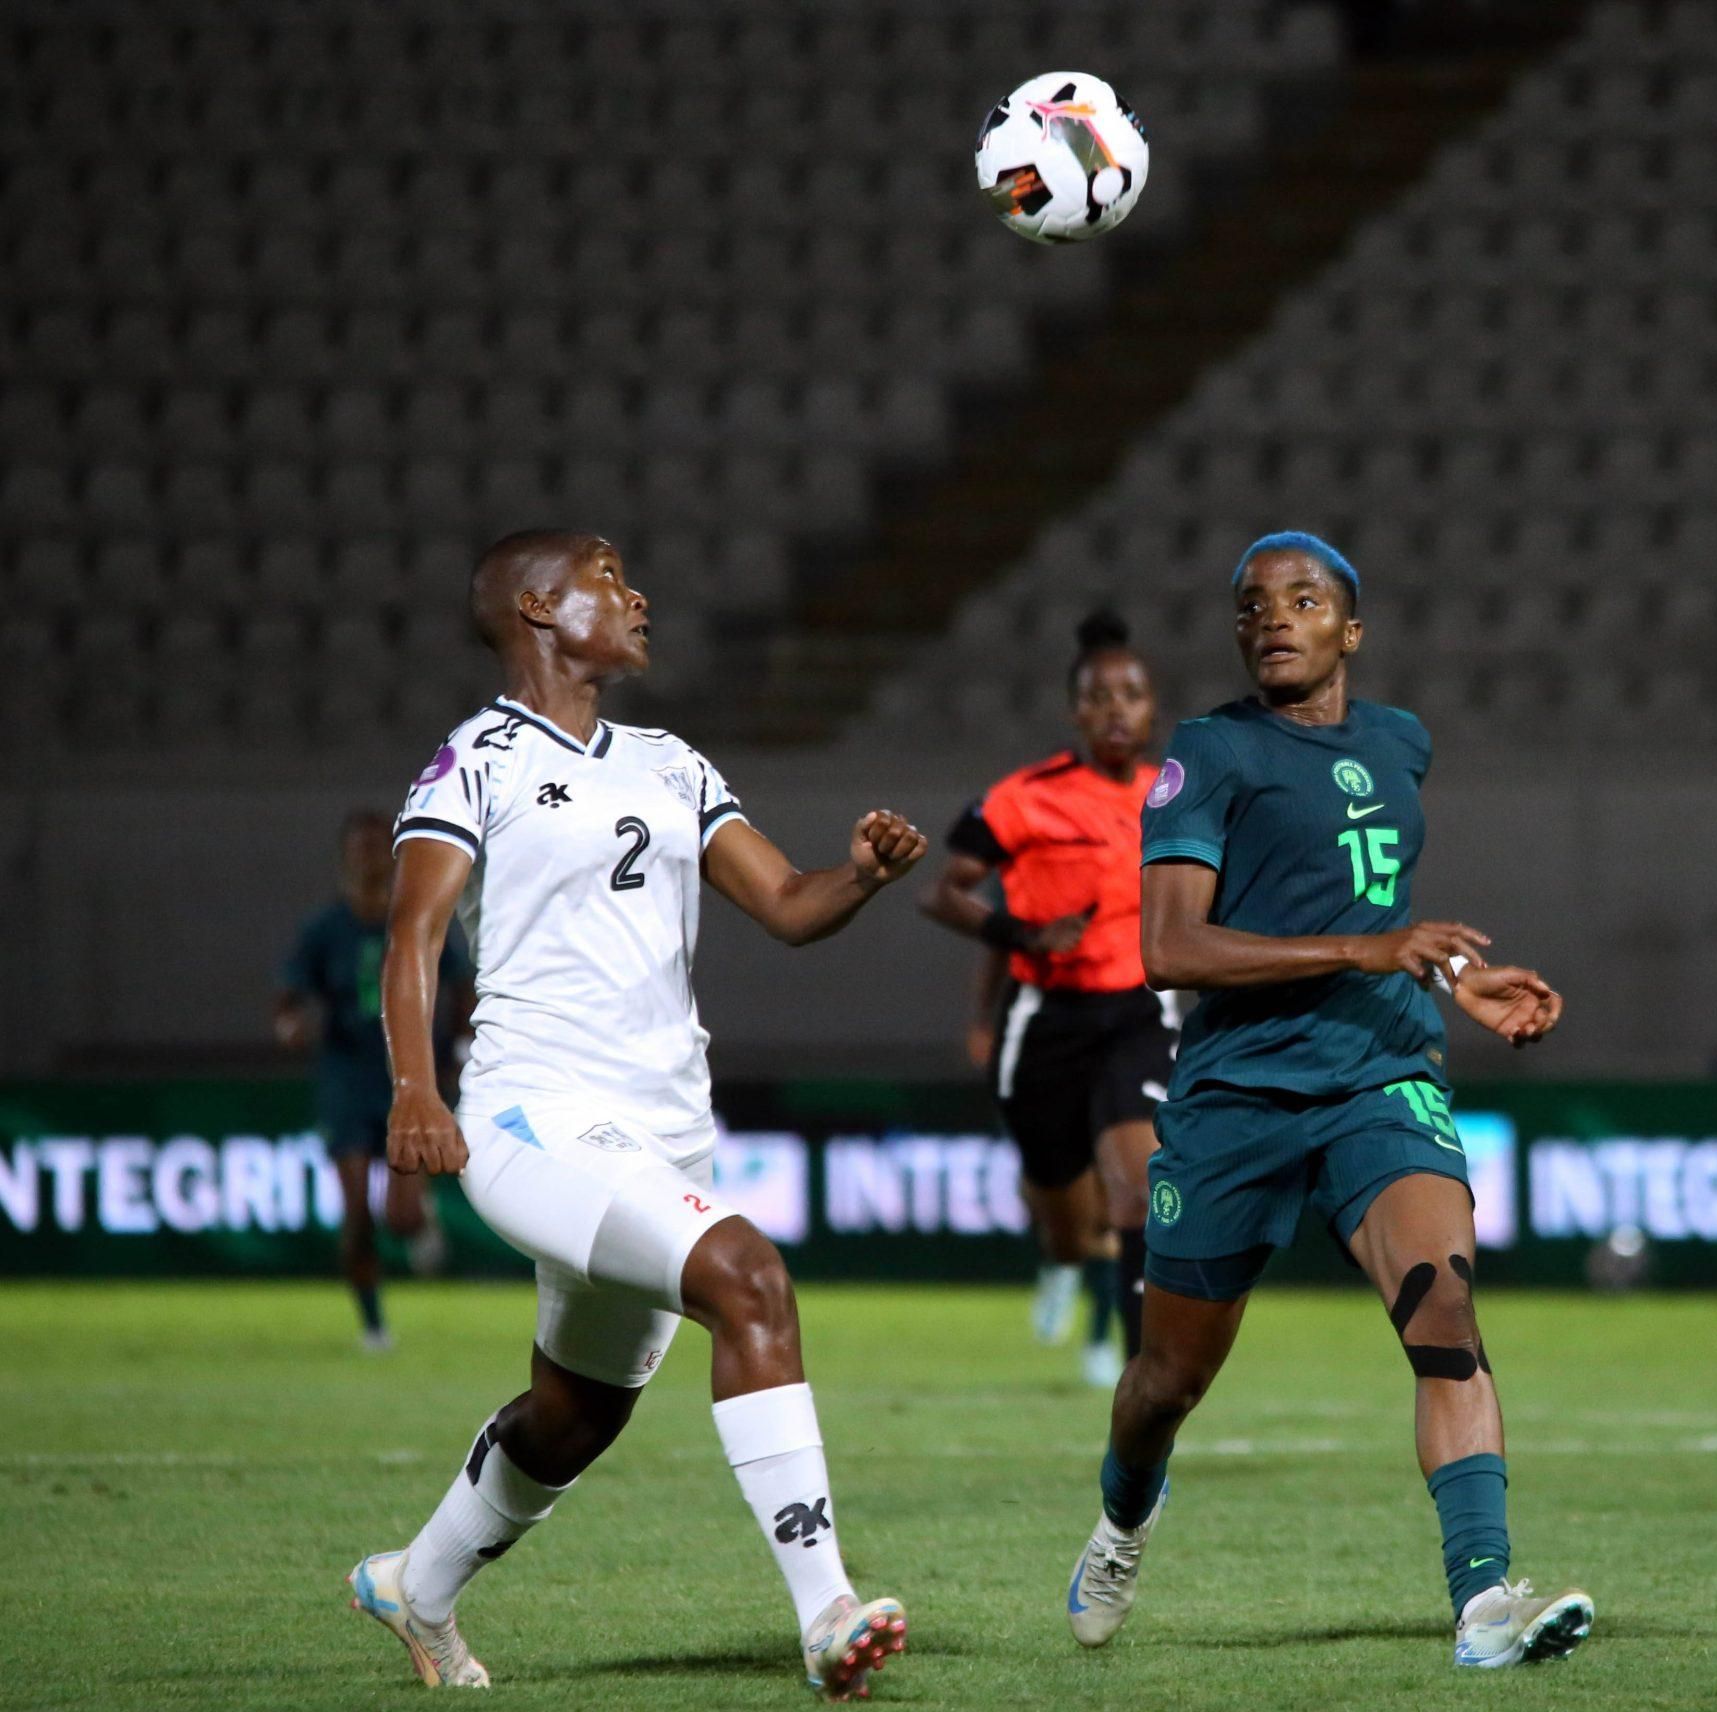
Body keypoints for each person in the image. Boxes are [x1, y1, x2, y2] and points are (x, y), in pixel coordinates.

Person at [347, 531, 922, 1701]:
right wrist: (414, 1083)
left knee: (575, 1417)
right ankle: (828, 1610)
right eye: (610, 577)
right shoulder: (478, 757)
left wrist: (857, 873)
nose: (636, 592)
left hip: (661, 1131)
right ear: (540, 605)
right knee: (748, 1276)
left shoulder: (670, 762)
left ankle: (417, 1580)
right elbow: (410, 936)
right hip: (533, 1116)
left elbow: (788, 904)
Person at [1061, 532, 1594, 1670]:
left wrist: (1459, 981)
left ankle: (1483, 1601)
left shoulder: (1401, 742)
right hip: (1237, 1095)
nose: (1273, 618)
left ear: (1350, 629)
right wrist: (1370, 944)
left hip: (1379, 1075)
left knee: (1443, 1311)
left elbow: (1380, 906)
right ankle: (1121, 1523)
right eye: (1252, 604)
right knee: (1166, 1382)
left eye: (1304, 600)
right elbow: (1168, 946)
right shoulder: (1206, 751)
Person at [920, 611, 1173, 1388]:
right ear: (1077, 712)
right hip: (1047, 1019)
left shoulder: (1176, 796)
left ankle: (1141, 1374)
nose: (1118, 709)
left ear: (1152, 705)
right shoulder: (1025, 798)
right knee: (1068, 1217)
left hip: (1136, 1009)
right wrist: (1025, 935)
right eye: (1101, 696)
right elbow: (945, 893)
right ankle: (1063, 1265)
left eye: (1132, 694)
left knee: (1140, 1187)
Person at [275, 809, 470, 1350]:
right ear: (345, 856)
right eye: (358, 846)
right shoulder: (324, 929)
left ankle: (418, 1219)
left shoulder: (417, 916)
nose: (367, 856)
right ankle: (373, 1323)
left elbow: (459, 985)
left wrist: (460, 1047)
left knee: (401, 1216)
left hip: (407, 1074)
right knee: (357, 1212)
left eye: (376, 845)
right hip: (346, 1077)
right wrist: (291, 1025)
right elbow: (290, 997)